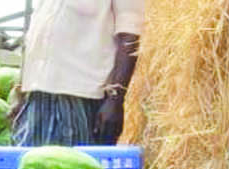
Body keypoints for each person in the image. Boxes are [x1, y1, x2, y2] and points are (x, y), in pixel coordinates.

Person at [9, 0, 145, 146]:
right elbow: (36, 34)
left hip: (80, 102)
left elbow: (130, 34)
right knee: (30, 166)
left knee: (72, 166)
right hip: (37, 100)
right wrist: (21, 93)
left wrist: (115, 100)